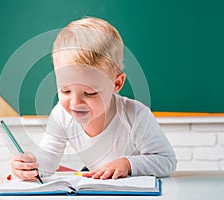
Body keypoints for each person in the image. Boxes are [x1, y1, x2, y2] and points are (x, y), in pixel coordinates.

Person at [11, 17, 177, 181]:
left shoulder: (136, 115)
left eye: (90, 93)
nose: (75, 103)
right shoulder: (61, 114)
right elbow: (48, 157)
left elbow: (167, 161)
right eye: (65, 90)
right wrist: (30, 166)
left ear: (117, 83)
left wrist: (127, 164)